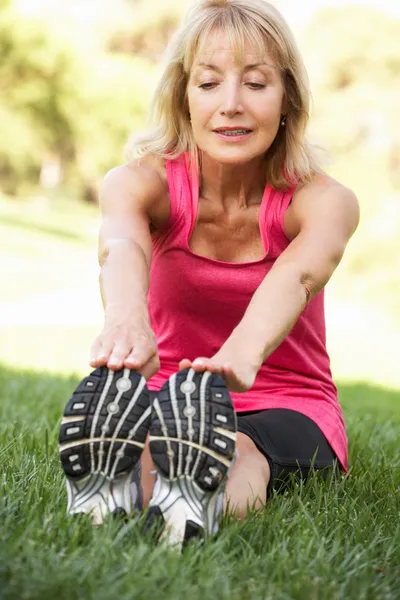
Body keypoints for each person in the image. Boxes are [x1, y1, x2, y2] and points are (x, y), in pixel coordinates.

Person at [58, 0, 359, 548]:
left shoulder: (323, 200)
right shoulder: (139, 182)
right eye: (210, 83)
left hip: (287, 398)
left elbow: (296, 276)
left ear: (288, 97)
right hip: (171, 396)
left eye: (255, 83)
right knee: (154, 446)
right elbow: (122, 245)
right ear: (184, 96)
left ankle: (197, 511)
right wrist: (126, 321)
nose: (231, 105)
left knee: (239, 446)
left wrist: (244, 349)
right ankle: (119, 492)